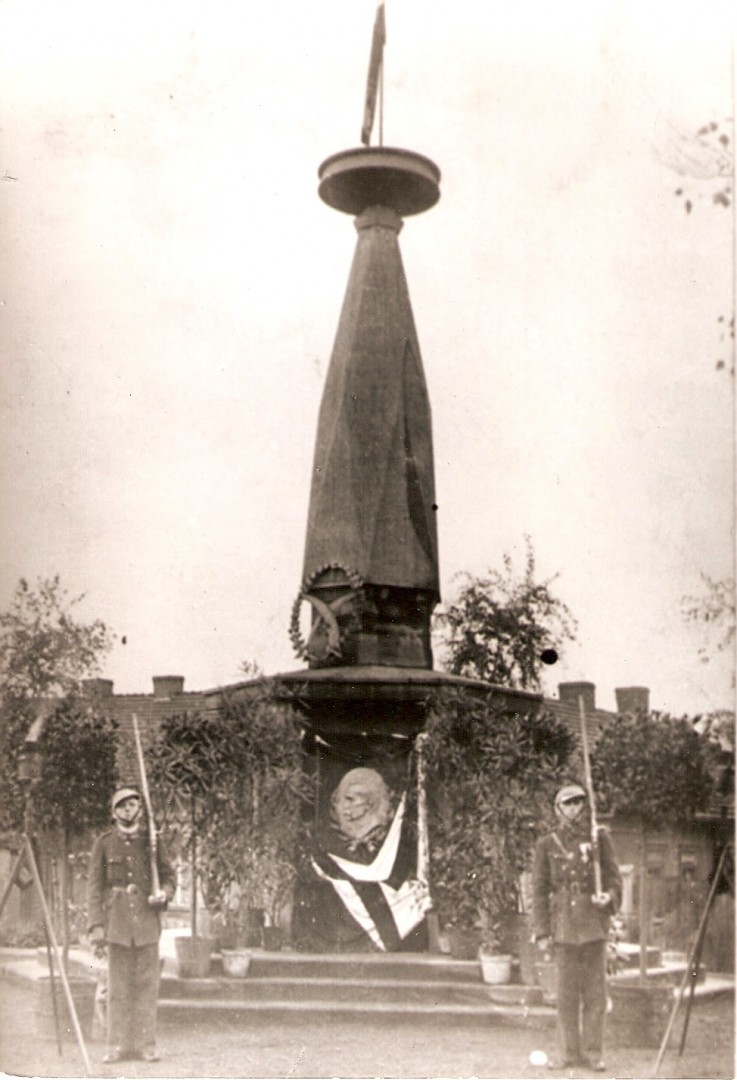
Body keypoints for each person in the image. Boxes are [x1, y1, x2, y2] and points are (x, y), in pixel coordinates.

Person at [532, 783, 622, 1072]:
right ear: (557, 809)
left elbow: (615, 879)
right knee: (566, 996)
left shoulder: (599, 838)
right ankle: (567, 1053)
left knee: (595, 995)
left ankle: (593, 1053)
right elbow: (539, 891)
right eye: (567, 804)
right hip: (563, 926)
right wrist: (542, 931)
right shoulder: (547, 844)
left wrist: (608, 897)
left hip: (593, 924)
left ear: (585, 806)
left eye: (578, 803)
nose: (573, 809)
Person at [87, 786, 175, 1064]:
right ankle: (116, 1046)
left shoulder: (152, 842)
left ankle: (146, 1045)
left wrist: (164, 894)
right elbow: (94, 888)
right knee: (118, 989)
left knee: (147, 987)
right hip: (117, 923)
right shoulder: (104, 843)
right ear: (114, 812)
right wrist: (97, 926)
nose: (128, 809)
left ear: (139, 809)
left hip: (147, 921)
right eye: (123, 805)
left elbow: (169, 877)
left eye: (133, 804)